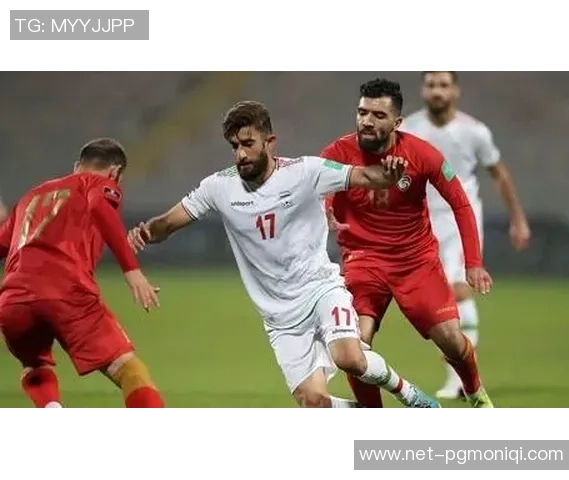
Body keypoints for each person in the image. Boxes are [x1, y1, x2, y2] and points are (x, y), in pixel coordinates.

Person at [128, 100, 440, 408]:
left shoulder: (306, 171)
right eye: (234, 146)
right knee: (313, 402)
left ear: (270, 142)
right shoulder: (218, 187)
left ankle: (408, 394)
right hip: (280, 317)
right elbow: (168, 223)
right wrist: (145, 233)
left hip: (320, 290)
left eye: (248, 144)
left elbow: (367, 177)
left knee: (350, 358)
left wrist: (391, 175)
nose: (240, 154)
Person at [322, 78, 494, 408]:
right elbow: (318, 192)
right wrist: (325, 209)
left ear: (397, 122)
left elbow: (460, 203)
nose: (367, 121)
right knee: (354, 348)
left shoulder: (421, 154)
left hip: (415, 260)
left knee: (452, 341)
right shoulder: (337, 154)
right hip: (363, 259)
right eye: (362, 112)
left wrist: (473, 263)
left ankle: (475, 393)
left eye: (378, 115)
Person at [0, 138, 163, 408]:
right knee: (130, 370)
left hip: (13, 301)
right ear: (115, 172)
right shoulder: (98, 183)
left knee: (34, 365)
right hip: (67, 292)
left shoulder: (32, 196)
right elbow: (99, 206)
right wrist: (132, 271)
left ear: (77, 166)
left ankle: (52, 409)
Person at [401, 72, 531, 399]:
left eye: (444, 85)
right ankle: (459, 376)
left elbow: (499, 174)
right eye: (431, 84)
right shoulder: (408, 129)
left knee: (459, 290)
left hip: (460, 218)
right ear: (423, 90)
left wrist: (518, 219)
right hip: (421, 222)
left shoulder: (475, 131)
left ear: (455, 91)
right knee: (434, 302)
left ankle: (460, 381)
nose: (437, 91)